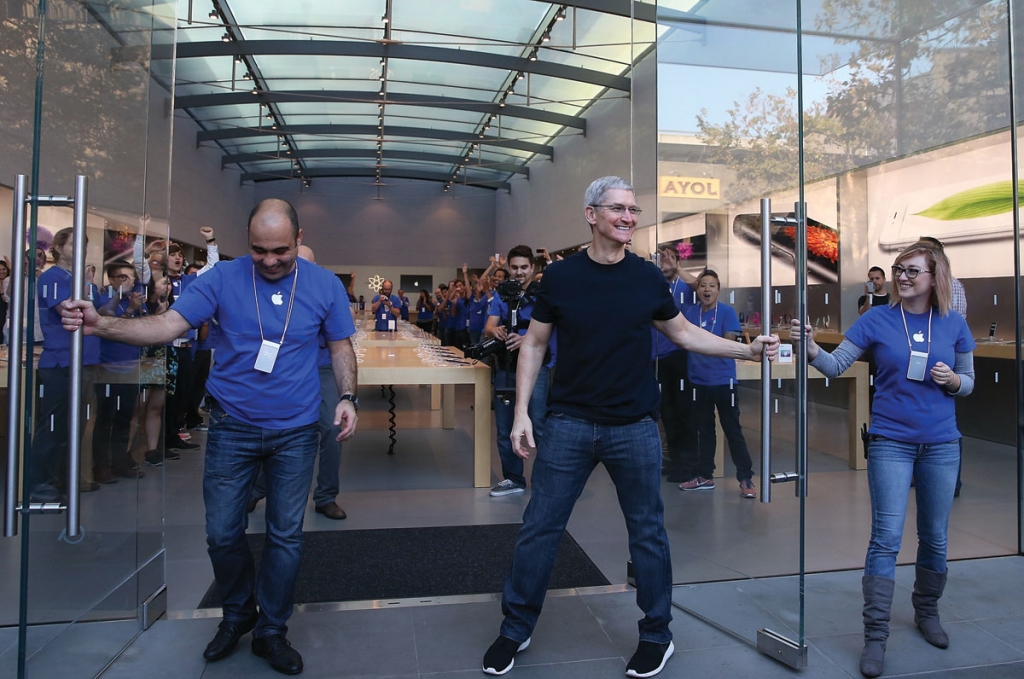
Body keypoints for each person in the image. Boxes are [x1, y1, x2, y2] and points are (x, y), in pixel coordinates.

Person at [482, 176, 778, 677]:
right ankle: (516, 627)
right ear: (591, 214)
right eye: (617, 208)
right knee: (539, 529)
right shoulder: (561, 278)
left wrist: (745, 350)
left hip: (635, 426)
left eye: (633, 210)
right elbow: (532, 344)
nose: (628, 217)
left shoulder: (646, 279)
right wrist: (522, 413)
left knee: (647, 534)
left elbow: (683, 333)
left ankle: (656, 635)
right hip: (569, 424)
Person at [60, 198, 359, 675]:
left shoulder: (324, 284)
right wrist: (104, 324)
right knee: (221, 533)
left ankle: (271, 630)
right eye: (259, 250)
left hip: (296, 431)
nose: (270, 260)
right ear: (247, 244)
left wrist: (348, 396)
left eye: (280, 250)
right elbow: (168, 324)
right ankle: (238, 613)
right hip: (232, 427)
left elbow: (341, 345)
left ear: (298, 240)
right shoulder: (221, 278)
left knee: (286, 537)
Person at [790, 241, 974, 678]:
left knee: (935, 537)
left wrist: (952, 381)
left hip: (942, 445)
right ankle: (876, 636)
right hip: (891, 440)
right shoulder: (876, 318)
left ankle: (927, 612)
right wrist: (812, 349)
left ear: (934, 277)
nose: (903, 277)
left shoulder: (953, 323)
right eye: (899, 269)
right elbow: (836, 367)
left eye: (912, 271)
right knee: (886, 539)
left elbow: (969, 382)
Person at [248, 243, 349, 521]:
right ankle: (258, 488)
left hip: (321, 367)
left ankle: (326, 496)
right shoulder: (271, 293)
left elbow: (341, 337)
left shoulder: (323, 291)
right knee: (272, 428)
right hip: (282, 370)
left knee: (331, 428)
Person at [484, 245, 554, 499]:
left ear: (532, 268)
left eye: (524, 267)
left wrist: (527, 339)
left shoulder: (543, 295)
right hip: (506, 367)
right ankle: (513, 478)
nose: (519, 272)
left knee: (539, 424)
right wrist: (496, 332)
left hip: (538, 368)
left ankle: (545, 480)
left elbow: (551, 328)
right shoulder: (501, 295)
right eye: (514, 267)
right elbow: (489, 326)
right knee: (504, 426)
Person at [679, 270, 756, 498]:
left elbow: (727, 342)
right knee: (704, 431)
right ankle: (704, 475)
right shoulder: (690, 313)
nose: (707, 290)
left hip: (723, 381)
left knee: (733, 430)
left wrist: (700, 341)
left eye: (712, 286)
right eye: (703, 285)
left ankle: (746, 478)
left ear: (718, 290)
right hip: (697, 382)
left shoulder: (727, 312)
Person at [651, 244, 697, 483]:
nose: (664, 262)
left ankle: (687, 465)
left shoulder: (685, 287)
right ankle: (675, 462)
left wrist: (677, 267)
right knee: (666, 413)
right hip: (653, 358)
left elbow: (701, 287)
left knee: (683, 412)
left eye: (667, 258)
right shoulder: (654, 285)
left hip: (677, 357)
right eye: (660, 258)